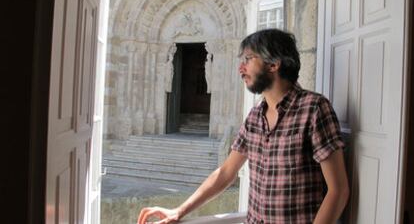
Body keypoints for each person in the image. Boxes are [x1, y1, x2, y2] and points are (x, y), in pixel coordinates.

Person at [138, 29, 349, 224]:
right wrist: (179, 211)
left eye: (248, 59)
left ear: (273, 64)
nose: (241, 68)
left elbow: (338, 190)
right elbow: (226, 173)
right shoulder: (255, 116)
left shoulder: (314, 109)